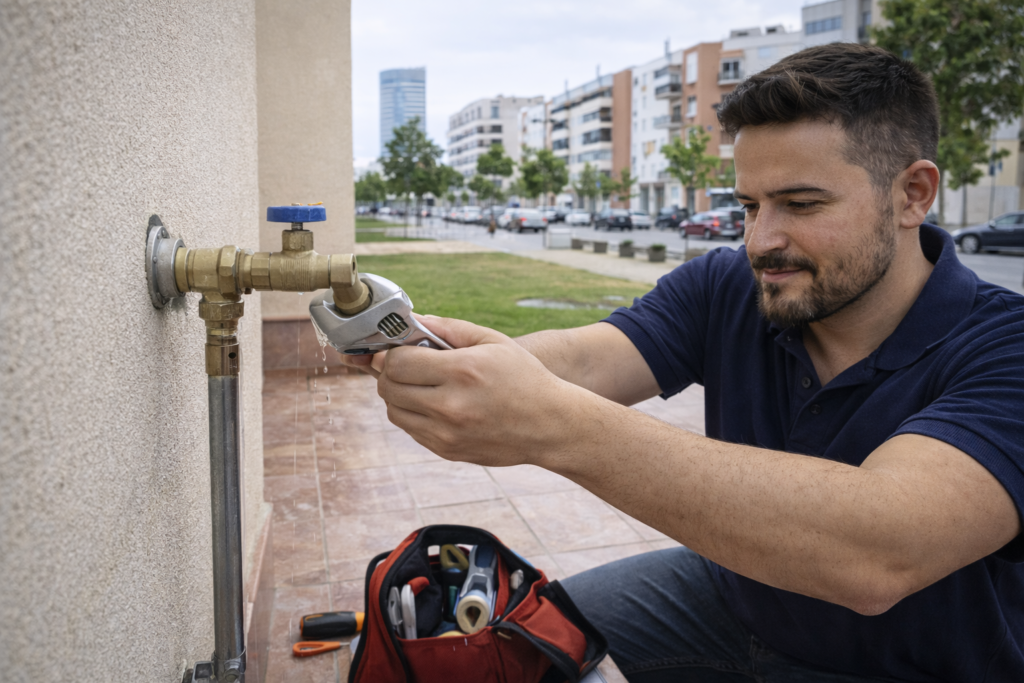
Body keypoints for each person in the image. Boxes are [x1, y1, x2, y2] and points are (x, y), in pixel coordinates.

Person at [341, 44, 1024, 681]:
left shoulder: (1006, 345)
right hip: (733, 597)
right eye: (750, 205)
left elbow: (877, 550)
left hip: (912, 661)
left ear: (913, 194)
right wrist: (445, 353)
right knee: (514, 644)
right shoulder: (732, 285)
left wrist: (554, 425)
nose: (761, 240)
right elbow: (584, 360)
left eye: (802, 204)